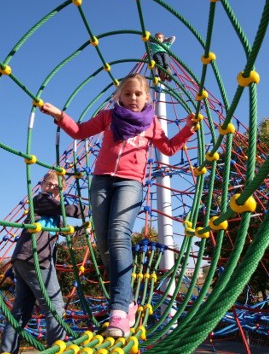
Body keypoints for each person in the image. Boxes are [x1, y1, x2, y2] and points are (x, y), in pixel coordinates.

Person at [41, 73, 195, 337]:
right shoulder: (109, 117)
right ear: (119, 97)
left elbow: (168, 148)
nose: (133, 98)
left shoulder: (152, 124)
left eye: (138, 94)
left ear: (147, 97)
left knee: (119, 234)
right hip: (101, 181)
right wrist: (59, 115)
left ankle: (119, 311)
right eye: (127, 94)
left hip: (130, 182)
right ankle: (130, 302)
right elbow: (79, 132)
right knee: (103, 242)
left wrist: (188, 129)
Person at [0, 170, 87, 354]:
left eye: (56, 186)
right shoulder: (41, 200)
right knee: (55, 306)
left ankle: (7, 351)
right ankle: (56, 349)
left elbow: (66, 229)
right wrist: (89, 209)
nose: (52, 188)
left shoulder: (54, 213)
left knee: (21, 312)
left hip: (25, 259)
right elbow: (67, 209)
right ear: (42, 185)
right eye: (49, 184)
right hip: (35, 259)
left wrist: (84, 228)